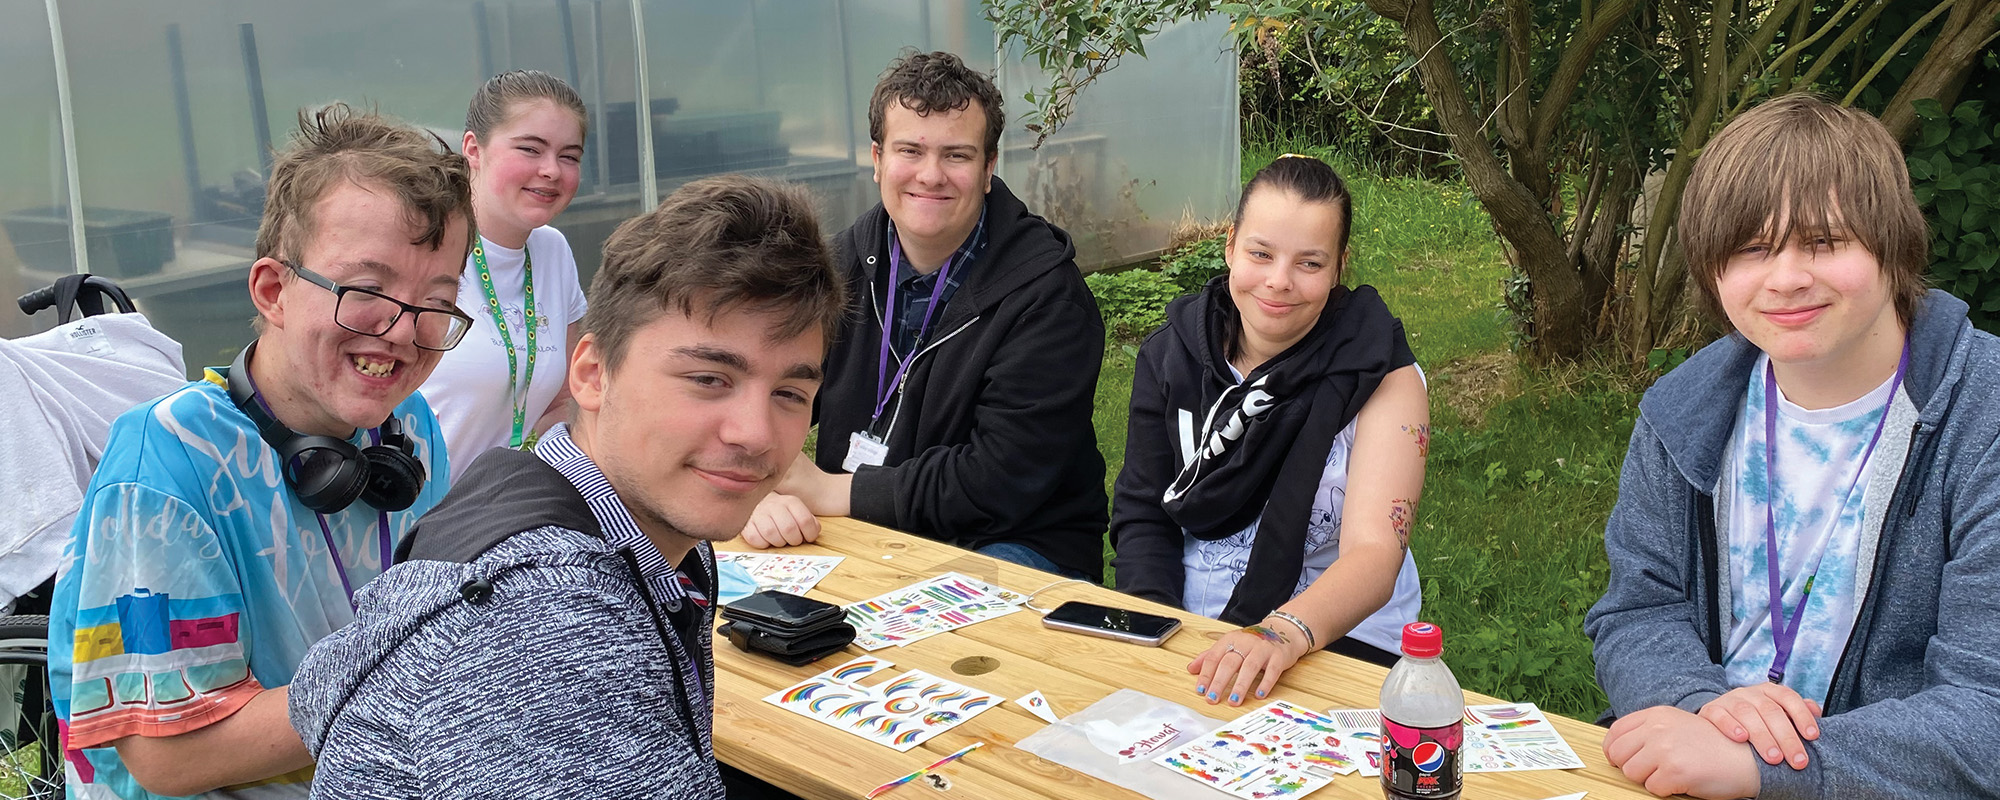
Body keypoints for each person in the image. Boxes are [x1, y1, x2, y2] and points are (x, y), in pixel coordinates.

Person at [289, 176, 844, 799]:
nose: (756, 434)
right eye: (709, 379)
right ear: (592, 373)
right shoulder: (548, 633)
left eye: (790, 394)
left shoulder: (549, 497)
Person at [49, 104, 473, 799]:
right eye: (367, 289)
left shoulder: (408, 426)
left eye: (435, 300)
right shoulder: (166, 467)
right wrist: (396, 674)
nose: (402, 331)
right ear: (274, 290)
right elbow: (171, 755)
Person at [1587, 94, 2000, 800]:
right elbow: (1637, 611)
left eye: (1824, 242)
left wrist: (1759, 765)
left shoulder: (1982, 416)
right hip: (1700, 760)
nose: (1785, 279)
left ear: (1892, 246)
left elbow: (1986, 709)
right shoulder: (1682, 410)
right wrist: (1699, 702)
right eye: (1752, 248)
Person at [738, 50, 1108, 580]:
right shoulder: (837, 265)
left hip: (1007, 540)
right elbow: (762, 394)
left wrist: (828, 491)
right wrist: (762, 490)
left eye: (956, 155)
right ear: (877, 159)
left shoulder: (1047, 296)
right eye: (910, 149)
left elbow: (1000, 481)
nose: (930, 175)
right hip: (861, 522)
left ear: (988, 169)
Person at [1108, 154, 1428, 706]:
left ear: (1338, 267)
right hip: (1191, 621)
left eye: (1309, 263)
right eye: (1261, 253)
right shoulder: (1171, 355)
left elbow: (1376, 552)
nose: (1279, 282)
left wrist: (1277, 634)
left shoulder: (1383, 373)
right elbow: (1142, 511)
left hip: (1337, 634)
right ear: (1230, 246)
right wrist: (1152, 629)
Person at [421, 70, 590, 478]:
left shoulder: (553, 250)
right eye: (531, 149)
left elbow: (562, 404)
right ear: (473, 150)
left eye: (569, 156)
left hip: (499, 517)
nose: (551, 170)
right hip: (407, 517)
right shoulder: (424, 247)